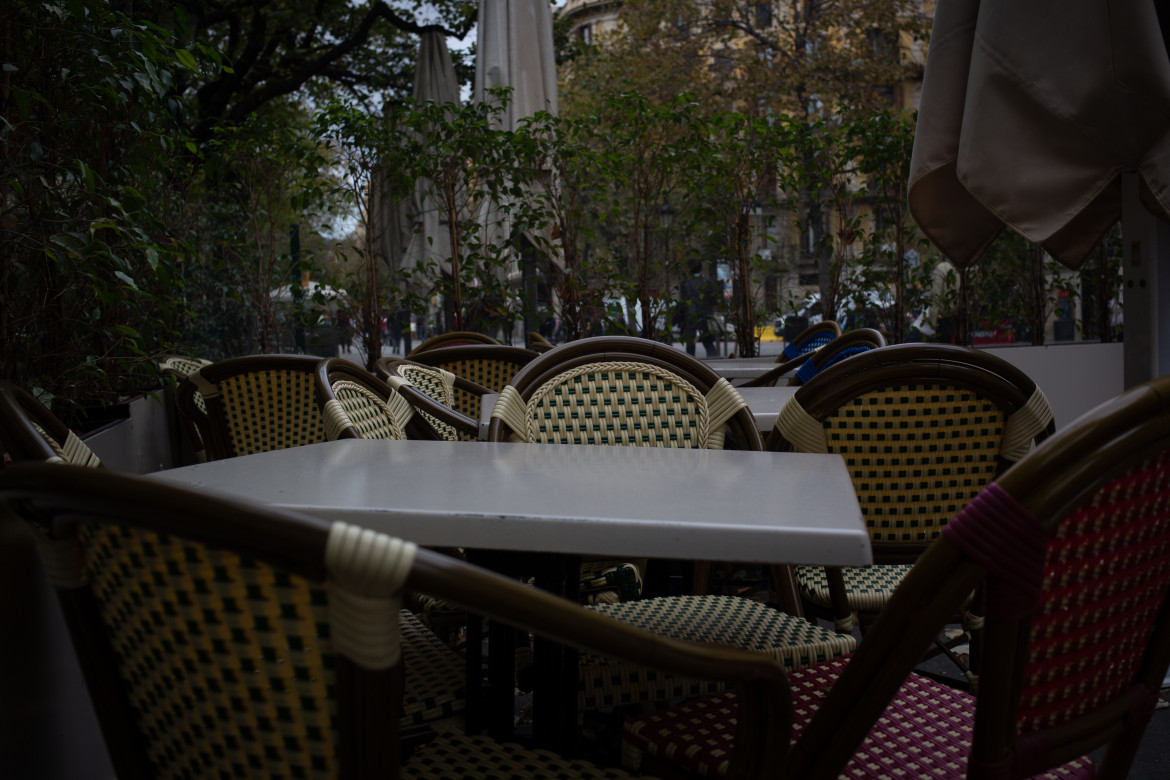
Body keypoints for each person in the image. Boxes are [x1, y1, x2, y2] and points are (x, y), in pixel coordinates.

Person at [676, 262, 720, 357]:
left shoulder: (685, 283)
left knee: (690, 342)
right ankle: (713, 361)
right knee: (708, 341)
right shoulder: (707, 282)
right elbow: (713, 299)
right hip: (705, 314)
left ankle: (690, 363)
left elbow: (684, 302)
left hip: (690, 315)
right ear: (701, 269)